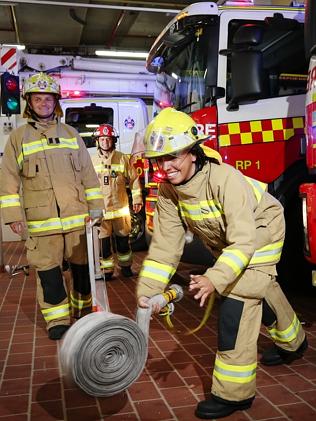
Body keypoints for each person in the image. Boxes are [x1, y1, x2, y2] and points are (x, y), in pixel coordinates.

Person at [136, 108, 307, 419]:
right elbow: (164, 247)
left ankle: (234, 394)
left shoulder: (223, 178)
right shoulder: (167, 190)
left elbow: (243, 240)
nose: (166, 166)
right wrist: (149, 291)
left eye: (173, 156)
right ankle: (294, 342)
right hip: (233, 241)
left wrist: (215, 278)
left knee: (237, 302)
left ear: (192, 152)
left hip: (262, 230)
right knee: (259, 286)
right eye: (159, 159)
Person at [0, 72, 104, 340]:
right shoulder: (18, 138)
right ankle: (57, 320)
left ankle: (83, 312)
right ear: (29, 102)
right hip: (41, 222)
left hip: (77, 219)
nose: (44, 103)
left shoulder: (71, 134)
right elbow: (8, 178)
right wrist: (12, 215)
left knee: (82, 269)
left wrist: (96, 207)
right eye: (38, 98)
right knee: (48, 273)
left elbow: (88, 176)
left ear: (55, 102)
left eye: (48, 99)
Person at [91, 123, 143, 280]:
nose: (105, 142)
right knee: (104, 246)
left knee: (123, 244)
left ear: (113, 140)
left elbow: (133, 180)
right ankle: (107, 272)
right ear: (97, 141)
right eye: (102, 139)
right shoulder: (92, 161)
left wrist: (137, 198)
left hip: (121, 210)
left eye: (108, 139)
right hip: (102, 212)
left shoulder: (122, 159)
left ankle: (126, 268)